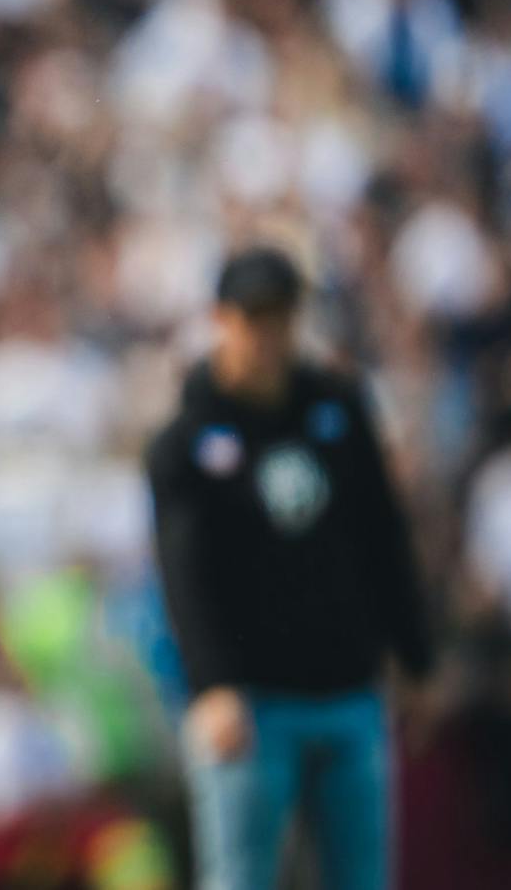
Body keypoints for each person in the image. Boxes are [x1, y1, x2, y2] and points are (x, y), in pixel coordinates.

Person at [146, 246, 434, 890]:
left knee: (362, 876)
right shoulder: (186, 440)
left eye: (279, 317)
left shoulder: (338, 408)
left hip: (348, 688)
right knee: (239, 877)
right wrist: (212, 683)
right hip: (253, 702)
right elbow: (184, 572)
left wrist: (414, 655)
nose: (268, 336)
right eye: (253, 318)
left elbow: (381, 534)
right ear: (221, 319)